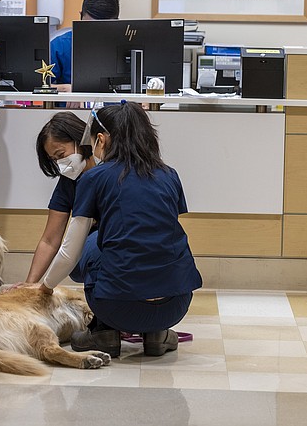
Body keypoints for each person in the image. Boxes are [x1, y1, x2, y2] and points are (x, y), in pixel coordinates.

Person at [38, 102, 203, 358]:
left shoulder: (94, 178)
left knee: (93, 243)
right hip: (177, 305)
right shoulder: (170, 175)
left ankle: (103, 332)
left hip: (117, 308)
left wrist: (43, 288)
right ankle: (158, 333)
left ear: (101, 140)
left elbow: (70, 252)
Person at [24, 112, 98, 284]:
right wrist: (29, 284)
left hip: (119, 241)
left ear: (79, 140)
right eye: (54, 159)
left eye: (61, 154)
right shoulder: (69, 182)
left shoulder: (108, 170)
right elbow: (50, 240)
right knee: (81, 259)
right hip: (89, 245)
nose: (60, 163)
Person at [50, 0, 121, 92]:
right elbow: (36, 86)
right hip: (71, 107)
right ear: (80, 16)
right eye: (91, 26)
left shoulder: (129, 44)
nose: (96, 34)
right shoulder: (60, 45)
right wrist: (66, 89)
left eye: (103, 27)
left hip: (118, 107)